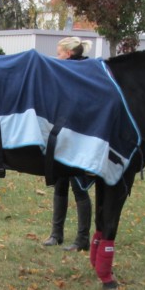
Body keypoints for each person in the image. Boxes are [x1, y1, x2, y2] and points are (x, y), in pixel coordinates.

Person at [42, 37, 93, 251]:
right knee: (60, 183)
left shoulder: (83, 72)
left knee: (79, 187)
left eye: (59, 53)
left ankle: (82, 239)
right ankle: (56, 234)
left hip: (79, 137)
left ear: (69, 53)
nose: (57, 57)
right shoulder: (64, 71)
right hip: (62, 134)